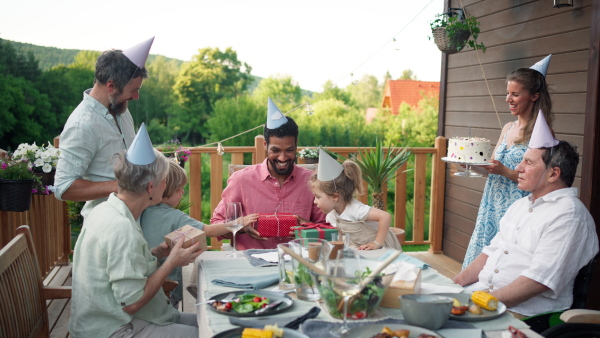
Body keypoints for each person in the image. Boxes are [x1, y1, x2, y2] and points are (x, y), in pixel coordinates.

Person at [453, 115, 599, 317]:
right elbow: (490, 251)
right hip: (484, 298)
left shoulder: (569, 216)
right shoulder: (521, 205)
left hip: (521, 313)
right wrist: (455, 285)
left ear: (553, 174)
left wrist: (486, 303)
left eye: (528, 162)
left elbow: (538, 281)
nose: (518, 168)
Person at [69, 124, 203, 337]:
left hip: (103, 320)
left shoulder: (105, 209)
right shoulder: (121, 228)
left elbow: (119, 265)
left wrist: (156, 254)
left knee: (209, 321)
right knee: (212, 332)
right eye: (164, 181)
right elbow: (131, 303)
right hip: (114, 329)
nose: (165, 185)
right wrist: (171, 263)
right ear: (151, 187)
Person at [462, 55, 554, 268]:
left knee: (502, 263)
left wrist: (506, 172)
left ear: (534, 96)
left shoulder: (541, 133)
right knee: (480, 261)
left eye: (515, 94)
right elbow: (493, 168)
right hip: (491, 204)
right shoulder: (508, 128)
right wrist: (471, 164)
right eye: (507, 93)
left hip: (517, 206)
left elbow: (540, 181)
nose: (508, 99)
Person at [54, 37, 154, 219]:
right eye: (133, 90)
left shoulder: (122, 110)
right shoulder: (82, 124)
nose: (136, 96)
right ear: (111, 86)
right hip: (106, 226)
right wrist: (124, 185)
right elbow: (64, 187)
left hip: (134, 221)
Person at [211, 98, 326, 250]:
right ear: (265, 145)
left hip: (297, 261)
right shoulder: (241, 180)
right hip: (250, 264)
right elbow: (217, 224)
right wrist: (241, 227)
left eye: (289, 150)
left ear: (296, 145)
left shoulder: (311, 181)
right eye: (276, 150)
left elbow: (327, 229)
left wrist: (307, 228)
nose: (283, 158)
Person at [140, 160, 258, 307]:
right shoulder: (175, 216)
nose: (183, 193)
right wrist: (239, 221)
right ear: (166, 189)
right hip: (166, 286)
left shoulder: (141, 211)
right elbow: (209, 230)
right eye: (179, 189)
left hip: (144, 282)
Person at [309, 149, 402, 250]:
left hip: (383, 247)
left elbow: (385, 216)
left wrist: (376, 243)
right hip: (364, 249)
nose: (314, 201)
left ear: (335, 196)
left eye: (318, 197)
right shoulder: (332, 216)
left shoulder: (355, 209)